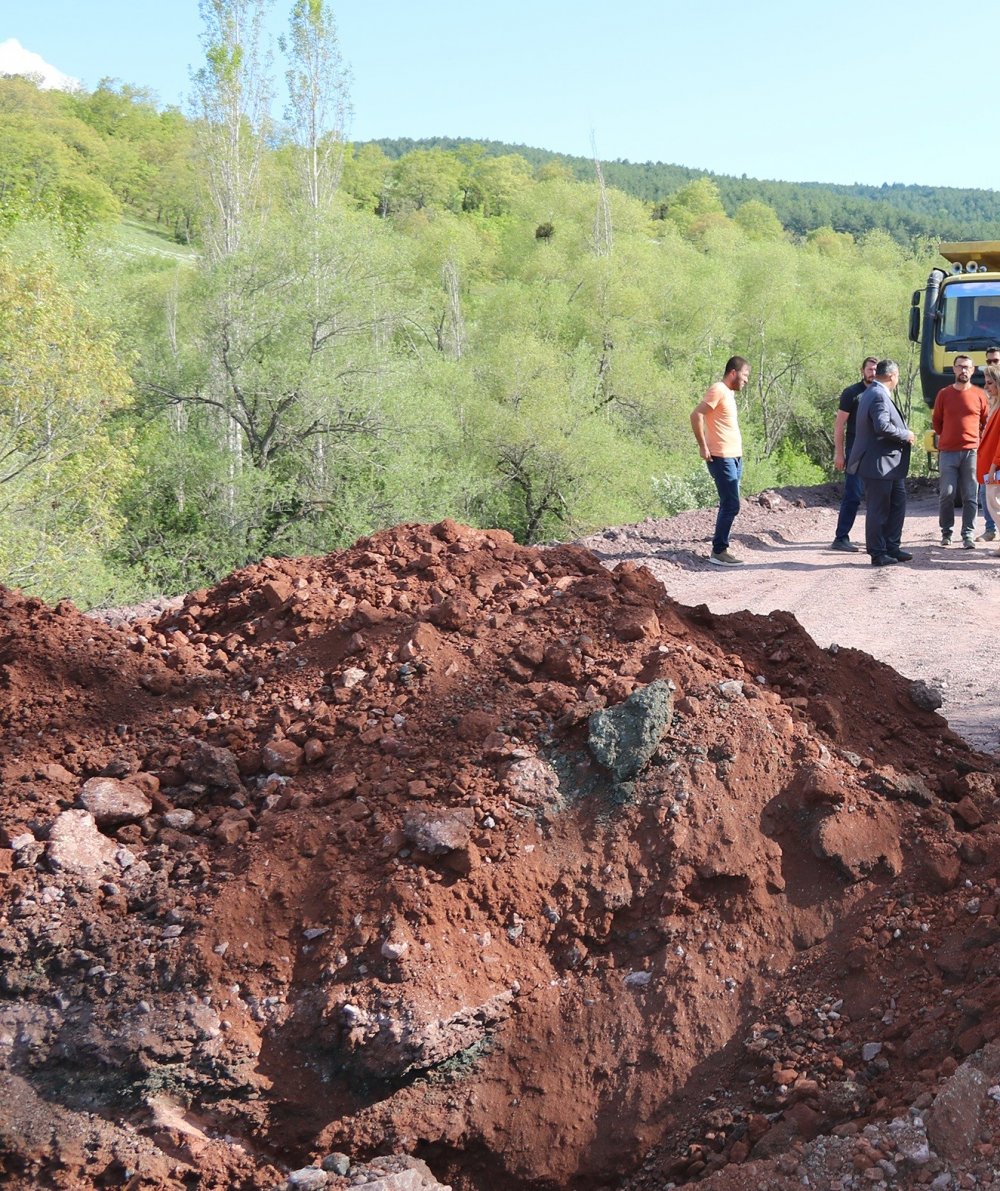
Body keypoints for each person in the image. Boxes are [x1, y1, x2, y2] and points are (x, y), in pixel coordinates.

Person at [846, 359, 915, 567]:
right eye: (898, 376)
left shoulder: (875, 392)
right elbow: (882, 426)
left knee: (897, 504)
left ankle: (892, 547)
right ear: (893, 376)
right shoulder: (877, 395)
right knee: (878, 509)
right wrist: (906, 435)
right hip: (878, 464)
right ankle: (877, 552)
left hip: (889, 465)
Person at [690, 355, 751, 566]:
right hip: (721, 456)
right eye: (745, 375)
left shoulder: (729, 394)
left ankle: (721, 548)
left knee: (731, 503)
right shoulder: (718, 389)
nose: (746, 380)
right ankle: (718, 551)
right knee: (731, 503)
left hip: (734, 457)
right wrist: (702, 445)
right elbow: (696, 414)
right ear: (733, 373)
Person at [932, 354, 988, 548]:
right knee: (947, 493)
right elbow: (937, 422)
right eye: (959, 367)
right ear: (954, 369)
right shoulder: (944, 394)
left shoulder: (980, 395)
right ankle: (946, 532)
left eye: (967, 367)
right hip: (948, 452)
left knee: (970, 495)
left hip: (972, 452)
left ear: (972, 370)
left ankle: (968, 535)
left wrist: (976, 442)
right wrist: (948, 436)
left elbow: (986, 423)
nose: (963, 370)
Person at [831, 356, 879, 551]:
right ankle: (841, 538)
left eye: (876, 370)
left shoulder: (880, 393)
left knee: (877, 496)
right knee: (853, 494)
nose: (873, 373)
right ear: (862, 370)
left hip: (876, 452)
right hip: (855, 451)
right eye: (870, 369)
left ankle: (876, 539)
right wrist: (839, 454)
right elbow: (839, 425)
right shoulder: (851, 393)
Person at [975, 363, 1000, 548]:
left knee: (995, 505)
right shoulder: (995, 406)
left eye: (990, 383)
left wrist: (993, 466)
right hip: (991, 466)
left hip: (996, 467)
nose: (986, 387)